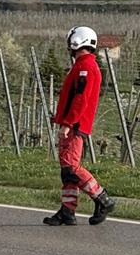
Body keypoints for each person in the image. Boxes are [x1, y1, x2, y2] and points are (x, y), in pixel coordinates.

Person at [43, 26, 116, 226]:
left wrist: (67, 123)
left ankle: (102, 199)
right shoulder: (82, 66)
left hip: (75, 126)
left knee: (72, 168)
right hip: (72, 124)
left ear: (76, 42)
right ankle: (67, 210)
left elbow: (80, 99)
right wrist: (60, 118)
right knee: (66, 170)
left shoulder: (85, 68)